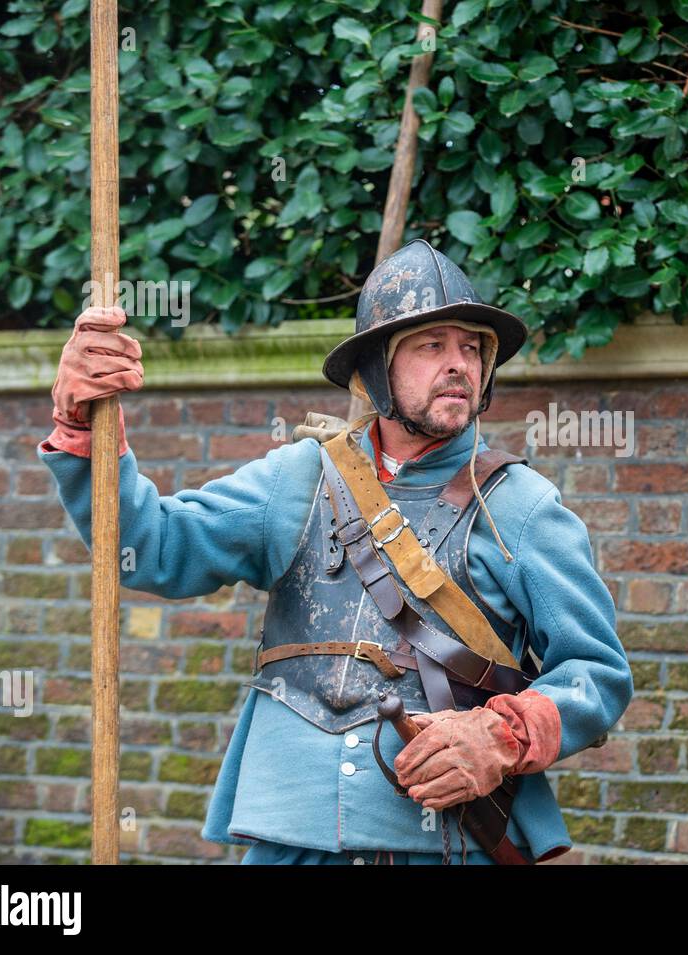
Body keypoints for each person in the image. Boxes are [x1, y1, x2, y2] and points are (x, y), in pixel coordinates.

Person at [41, 238, 632, 864]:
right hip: (289, 836)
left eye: (471, 348)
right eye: (432, 346)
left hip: (443, 842)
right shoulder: (295, 477)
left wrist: (501, 735)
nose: (458, 364)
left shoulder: (524, 505)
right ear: (376, 367)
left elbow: (597, 673)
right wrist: (85, 429)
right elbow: (152, 547)